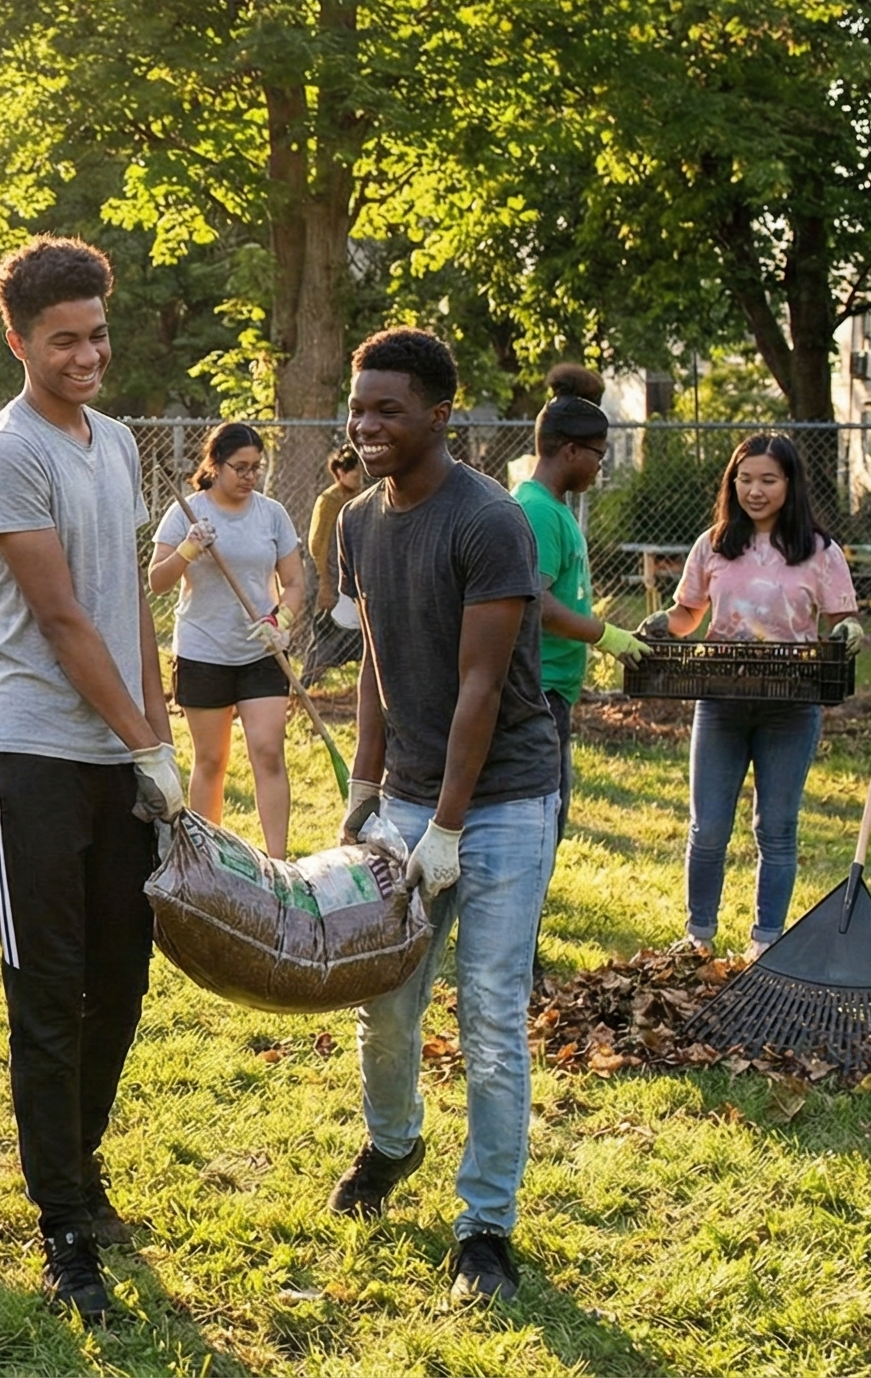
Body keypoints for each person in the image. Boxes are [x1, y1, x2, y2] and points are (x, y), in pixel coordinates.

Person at [0, 235, 177, 1325]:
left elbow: (127, 601)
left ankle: (77, 1159)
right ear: (17, 342)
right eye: (63, 341)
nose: (87, 355)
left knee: (122, 977)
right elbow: (56, 616)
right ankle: (61, 1226)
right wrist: (132, 739)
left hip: (117, 751)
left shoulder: (117, 441)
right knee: (46, 991)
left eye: (97, 334)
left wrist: (158, 738)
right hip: (36, 752)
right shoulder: (7, 452)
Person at [330, 327, 560, 1303]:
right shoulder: (357, 522)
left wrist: (449, 830)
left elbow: (477, 684)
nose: (366, 425)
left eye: (387, 408)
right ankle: (392, 1144)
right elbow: (380, 656)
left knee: (491, 1020)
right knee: (382, 1002)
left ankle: (485, 1231)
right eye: (358, 406)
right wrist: (364, 785)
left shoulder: (488, 521)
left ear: (438, 414)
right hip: (406, 796)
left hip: (500, 802)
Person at [646, 434, 861, 957]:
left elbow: (842, 617)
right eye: (745, 479)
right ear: (732, 483)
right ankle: (698, 935)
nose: (755, 491)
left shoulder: (819, 551)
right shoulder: (714, 544)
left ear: (790, 484)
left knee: (777, 826)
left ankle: (766, 941)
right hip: (720, 700)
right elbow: (688, 613)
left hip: (791, 705)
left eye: (768, 480)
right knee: (709, 826)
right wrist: (662, 625)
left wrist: (849, 631)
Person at [148, 422, 306, 855]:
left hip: (262, 650)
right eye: (240, 467)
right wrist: (188, 550)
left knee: (268, 751)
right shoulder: (187, 512)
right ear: (214, 465)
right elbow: (157, 581)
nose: (250, 476)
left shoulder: (271, 513)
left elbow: (294, 582)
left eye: (256, 467)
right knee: (212, 761)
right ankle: (207, 858)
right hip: (203, 650)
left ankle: (278, 860)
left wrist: (281, 620)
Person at [511, 365, 643, 845]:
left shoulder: (554, 507)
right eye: (598, 456)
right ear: (570, 450)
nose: (600, 466)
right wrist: (605, 635)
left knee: (555, 814)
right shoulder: (538, 511)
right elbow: (534, 602)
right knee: (544, 823)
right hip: (537, 689)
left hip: (556, 690)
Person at [305, 445, 370, 677]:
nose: (359, 478)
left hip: (357, 571)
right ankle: (310, 678)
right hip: (332, 572)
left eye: (361, 473)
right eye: (354, 473)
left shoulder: (364, 498)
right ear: (340, 473)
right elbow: (318, 543)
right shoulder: (329, 500)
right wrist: (325, 580)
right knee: (326, 628)